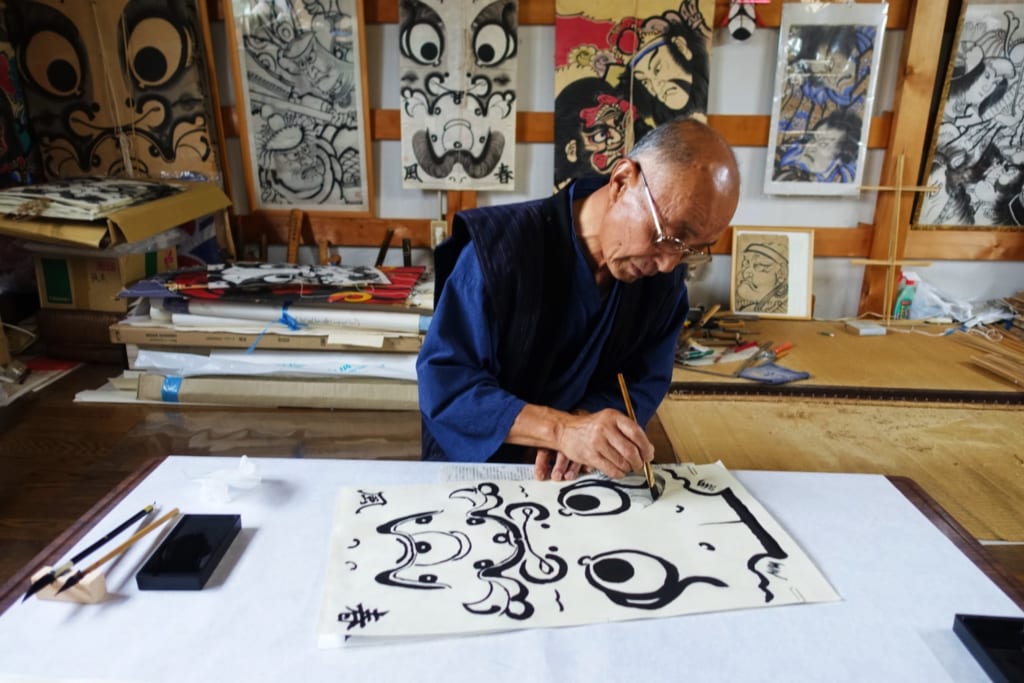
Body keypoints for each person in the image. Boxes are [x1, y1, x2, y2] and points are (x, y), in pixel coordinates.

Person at [417, 119, 740, 482]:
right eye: (668, 235)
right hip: (479, 469)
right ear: (621, 182)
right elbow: (447, 386)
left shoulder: (664, 283)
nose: (668, 263)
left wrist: (592, 430)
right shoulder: (500, 251)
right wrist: (561, 431)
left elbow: (643, 381)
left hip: (579, 476)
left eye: (690, 250)